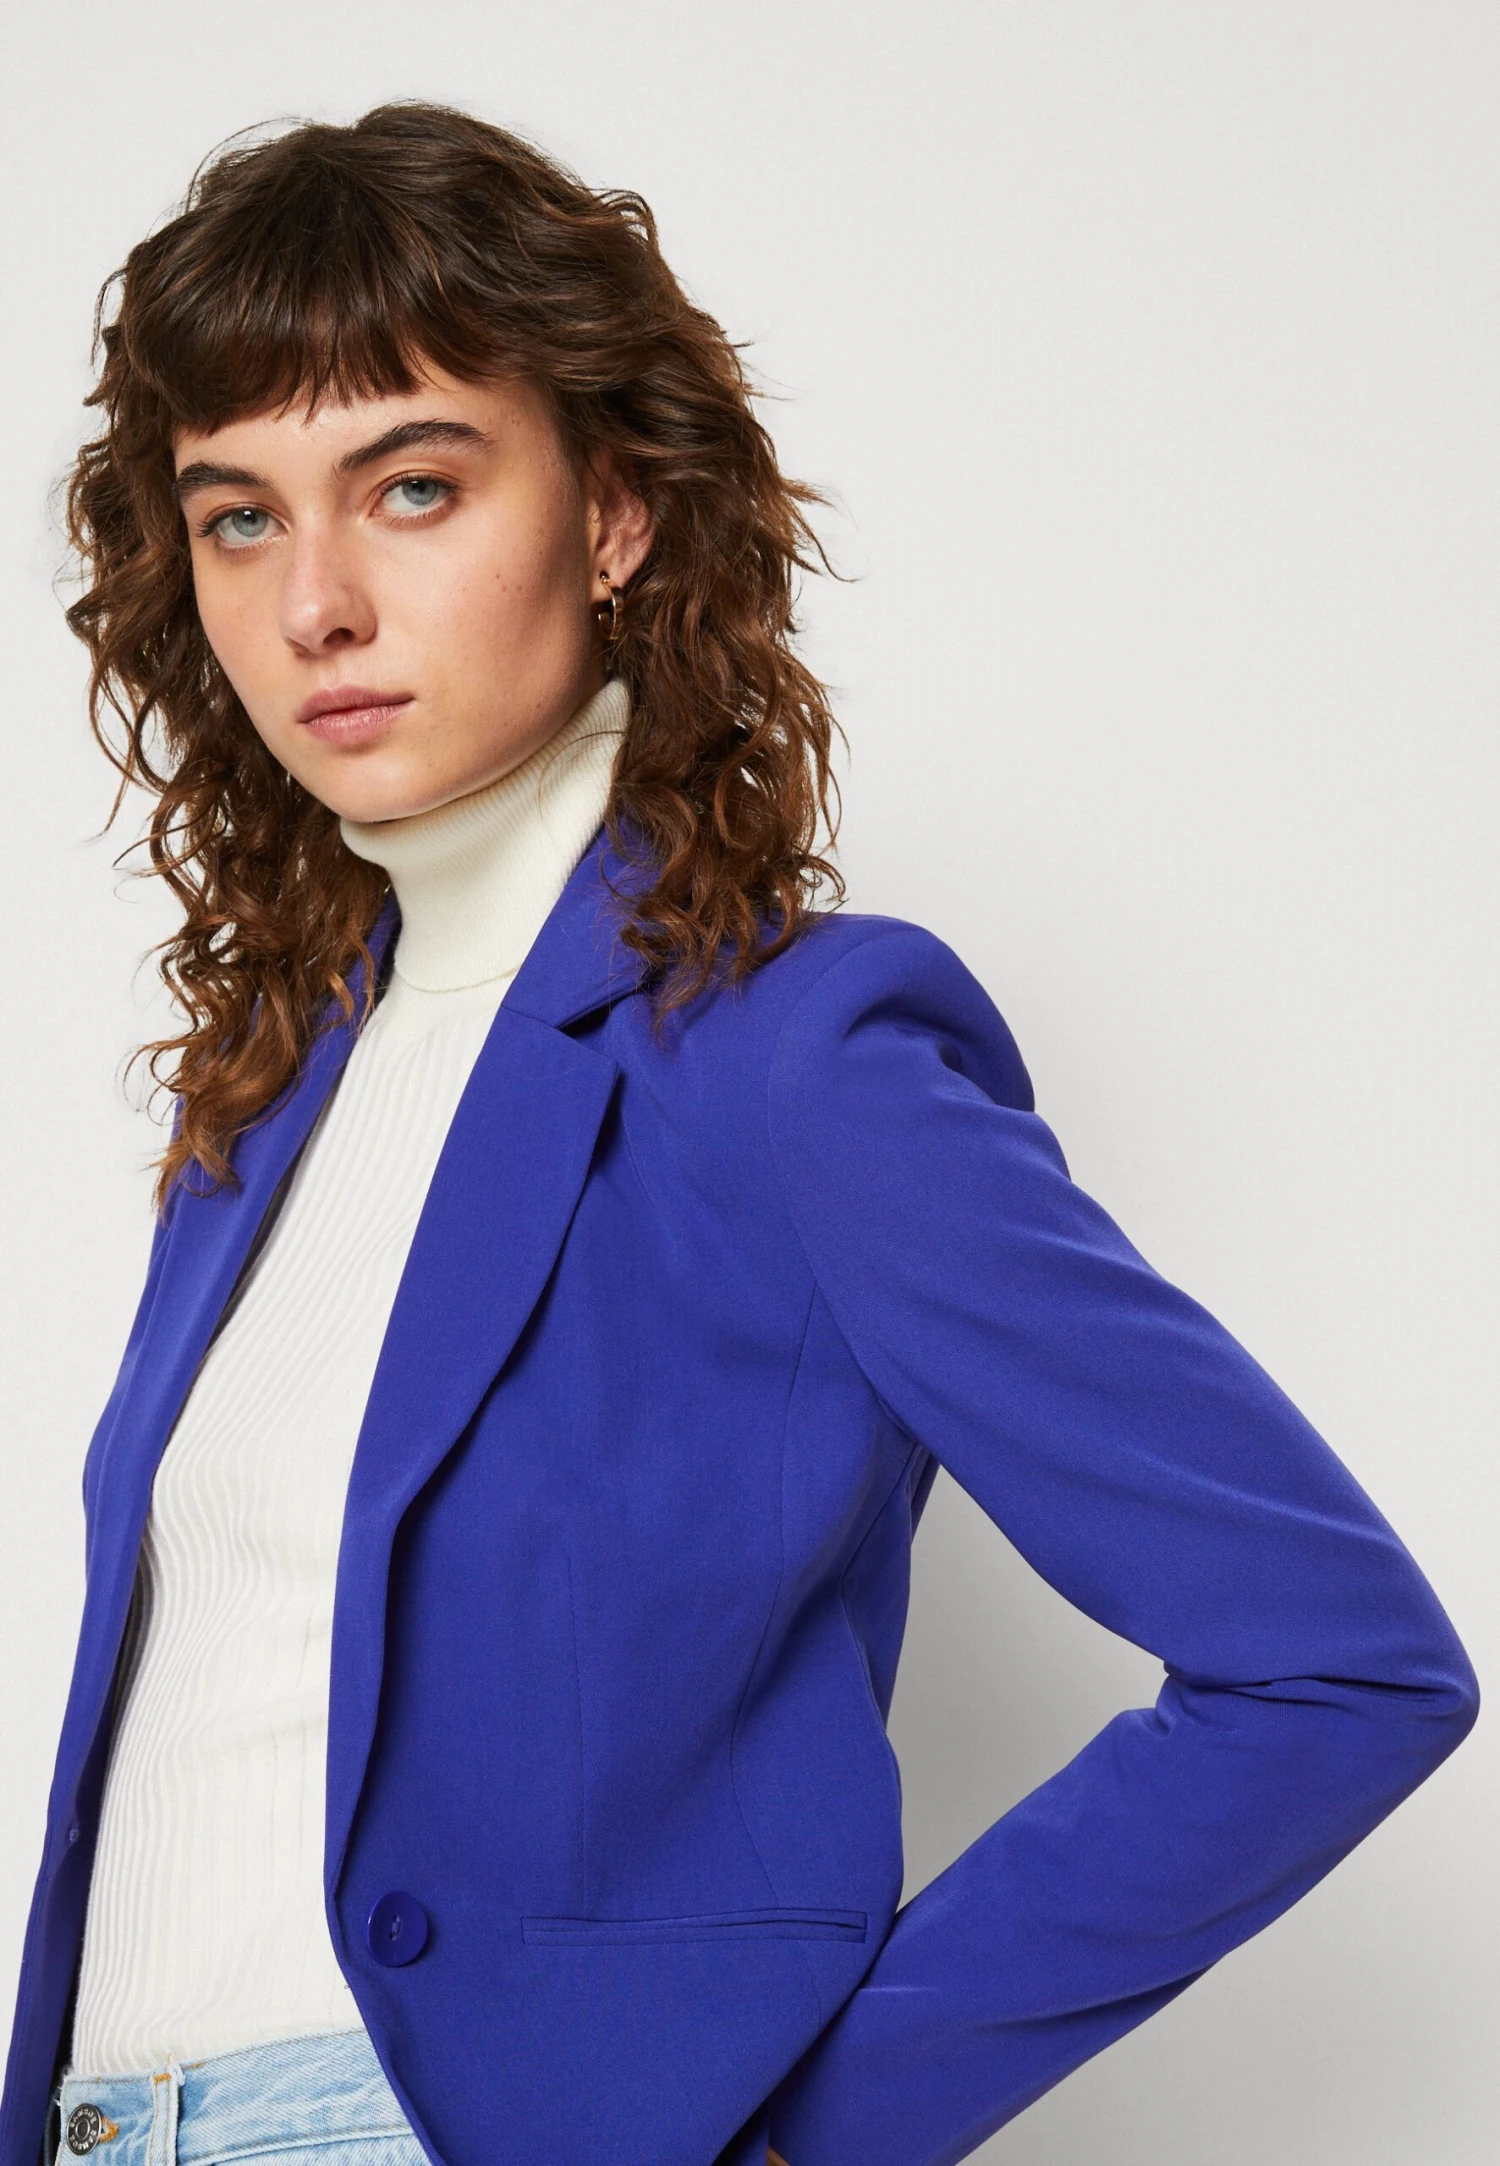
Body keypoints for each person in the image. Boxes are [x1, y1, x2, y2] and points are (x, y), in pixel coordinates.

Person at [0, 100, 1478, 2166]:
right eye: (238, 516)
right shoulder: (267, 1097)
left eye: (412, 486)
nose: (314, 601)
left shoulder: (790, 1060)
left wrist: (793, 2129)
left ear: (613, 513)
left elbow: (1335, 1663)